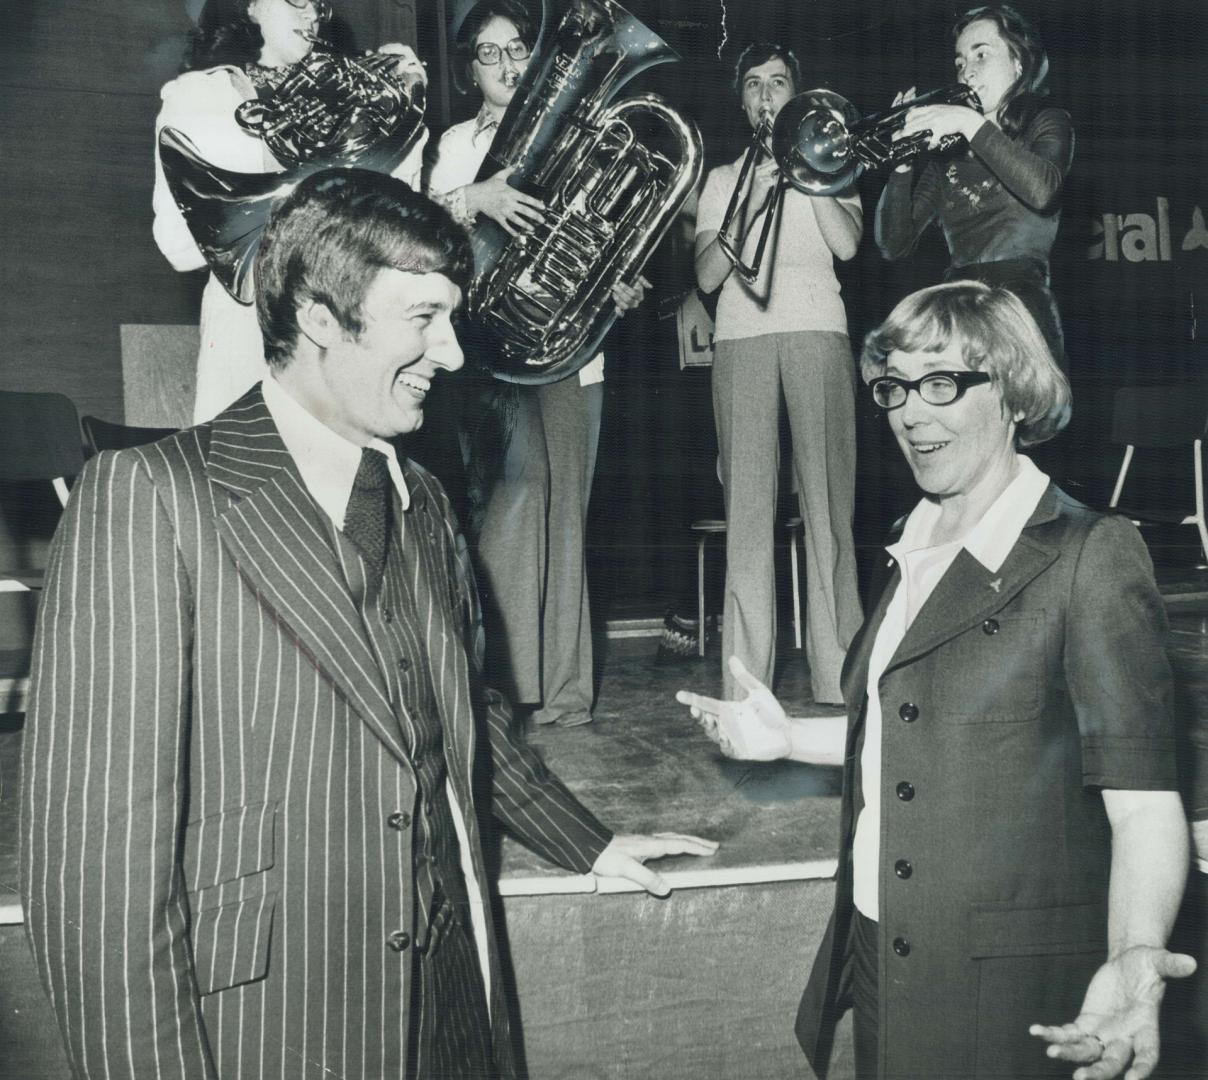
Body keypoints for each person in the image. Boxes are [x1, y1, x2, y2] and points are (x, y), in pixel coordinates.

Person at [21, 168, 716, 1079]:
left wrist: (584, 839)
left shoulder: (421, 497)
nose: (455, 354)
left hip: (455, 1014)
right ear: (319, 315)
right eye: (423, 318)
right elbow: (93, 881)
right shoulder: (146, 496)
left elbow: (456, 709)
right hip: (273, 1026)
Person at [678, 281, 1194, 1080]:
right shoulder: (913, 540)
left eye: (942, 383)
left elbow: (1144, 803)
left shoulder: (1089, 553)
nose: (911, 413)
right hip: (887, 949)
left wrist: (1134, 957)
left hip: (1007, 984)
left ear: (1015, 391)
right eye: (894, 388)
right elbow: (917, 722)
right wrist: (788, 738)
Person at [427, 0, 645, 728]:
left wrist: (617, 277)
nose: (506, 64)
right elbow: (418, 226)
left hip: (572, 346)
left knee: (567, 520)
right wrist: (473, 196)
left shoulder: (583, 134)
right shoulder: (455, 145)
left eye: (517, 47)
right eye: (488, 54)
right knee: (514, 506)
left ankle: (566, 695)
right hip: (489, 353)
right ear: (469, 71)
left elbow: (605, 227)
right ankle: (502, 690)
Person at [152, 0, 430, 424]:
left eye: (319, 5)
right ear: (249, 7)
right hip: (252, 329)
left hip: (343, 319)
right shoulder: (201, 94)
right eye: (297, 0)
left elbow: (398, 224)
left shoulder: (348, 94)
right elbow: (179, 245)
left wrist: (408, 112)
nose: (312, 14)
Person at [693, 41, 864, 705]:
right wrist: (752, 198)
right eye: (755, 85)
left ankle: (838, 677)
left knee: (828, 510)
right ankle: (744, 688)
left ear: (797, 95)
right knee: (749, 515)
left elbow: (848, 246)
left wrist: (810, 175)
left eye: (779, 83)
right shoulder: (720, 179)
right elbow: (707, 276)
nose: (767, 95)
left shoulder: (835, 164)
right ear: (742, 100)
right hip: (742, 339)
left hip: (819, 331)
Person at [876, 4, 1073, 369]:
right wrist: (901, 162)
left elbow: (1043, 190)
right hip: (959, 307)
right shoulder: (949, 153)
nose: (966, 71)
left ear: (1019, 62)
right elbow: (894, 244)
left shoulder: (1047, 121)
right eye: (960, 61)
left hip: (1020, 307)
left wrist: (967, 122)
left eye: (981, 54)